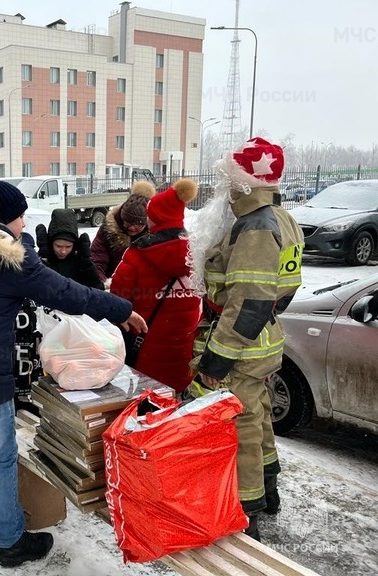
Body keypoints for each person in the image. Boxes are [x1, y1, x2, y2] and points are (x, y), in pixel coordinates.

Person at [0, 172, 147, 567]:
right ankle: (10, 543)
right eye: (21, 217)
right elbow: (67, 293)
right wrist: (121, 310)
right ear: (6, 219)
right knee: (0, 456)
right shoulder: (10, 258)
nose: (24, 224)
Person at [187, 137, 305, 541]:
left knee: (241, 427)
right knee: (259, 416)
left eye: (227, 179)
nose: (224, 187)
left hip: (242, 347)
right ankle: (269, 491)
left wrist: (214, 365)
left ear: (244, 182)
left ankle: (246, 510)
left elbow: (248, 305)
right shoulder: (281, 218)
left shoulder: (255, 228)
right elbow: (281, 291)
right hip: (264, 341)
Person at [110, 179, 201, 392]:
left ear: (155, 218)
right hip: (186, 347)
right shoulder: (197, 254)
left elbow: (117, 297)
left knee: (150, 403)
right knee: (179, 404)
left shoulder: (137, 254)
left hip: (146, 346)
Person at [90, 181, 155, 287]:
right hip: (112, 283)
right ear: (121, 217)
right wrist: (102, 283)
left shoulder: (155, 235)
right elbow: (97, 258)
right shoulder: (108, 229)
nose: (132, 228)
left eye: (138, 225)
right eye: (128, 222)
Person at [35, 208, 103, 289]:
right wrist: (44, 259)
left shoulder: (79, 262)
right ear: (51, 243)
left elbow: (98, 290)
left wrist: (87, 264)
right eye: (58, 246)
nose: (63, 251)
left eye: (68, 247)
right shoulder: (38, 260)